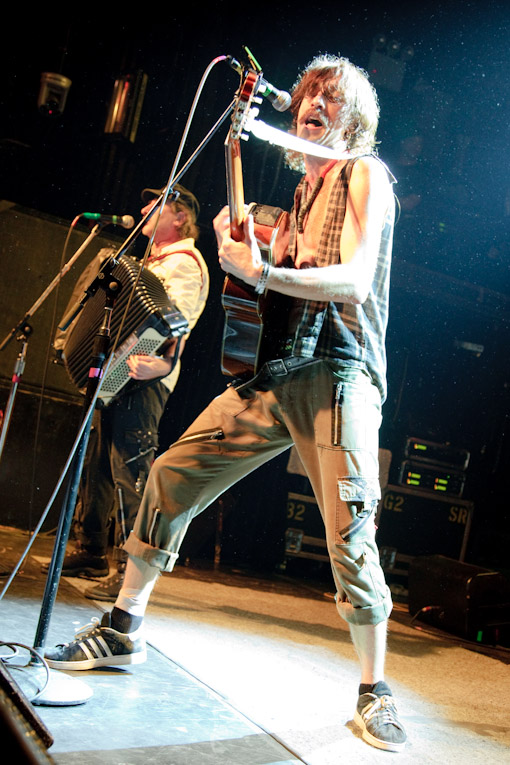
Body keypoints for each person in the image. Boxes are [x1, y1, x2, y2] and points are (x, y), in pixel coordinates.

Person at [45, 55, 406, 753]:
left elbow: (356, 280)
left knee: (349, 535)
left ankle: (375, 688)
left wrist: (262, 267)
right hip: (275, 374)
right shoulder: (300, 194)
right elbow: (265, 293)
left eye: (329, 96)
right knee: (170, 475)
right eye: (306, 94)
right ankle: (123, 627)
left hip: (339, 372)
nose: (312, 103)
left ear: (354, 116)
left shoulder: (366, 175)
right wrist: (242, 251)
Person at [46, 184, 209, 601]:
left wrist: (161, 361)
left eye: (156, 205)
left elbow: (177, 323)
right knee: (99, 464)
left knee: (130, 473)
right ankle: (92, 550)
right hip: (120, 373)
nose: (144, 209)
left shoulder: (187, 263)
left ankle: (128, 568)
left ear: (179, 217)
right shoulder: (150, 260)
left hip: (147, 378)